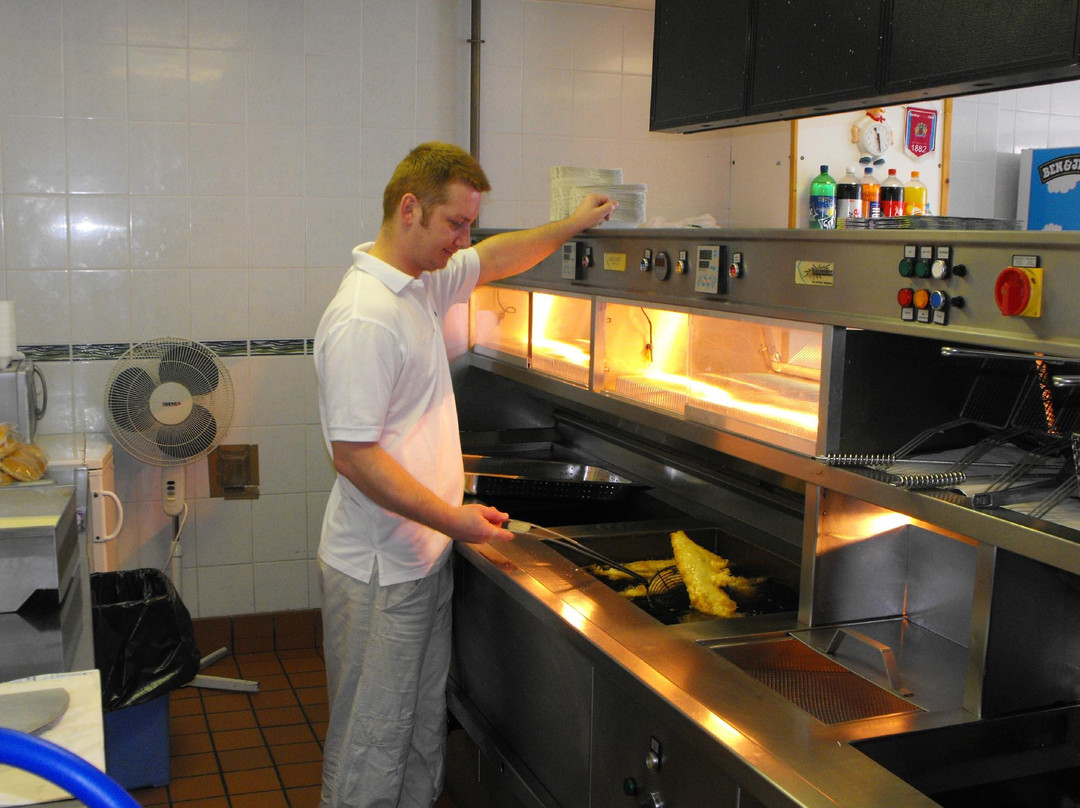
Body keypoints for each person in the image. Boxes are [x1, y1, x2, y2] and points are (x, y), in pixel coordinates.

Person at [313, 141, 616, 808]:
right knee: (371, 743)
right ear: (410, 209)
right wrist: (455, 518)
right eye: (456, 223)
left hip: (419, 557)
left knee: (419, 727)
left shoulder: (420, 282)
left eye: (469, 225)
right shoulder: (366, 315)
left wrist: (573, 224)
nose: (464, 240)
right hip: (379, 571)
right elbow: (354, 456)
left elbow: (499, 257)